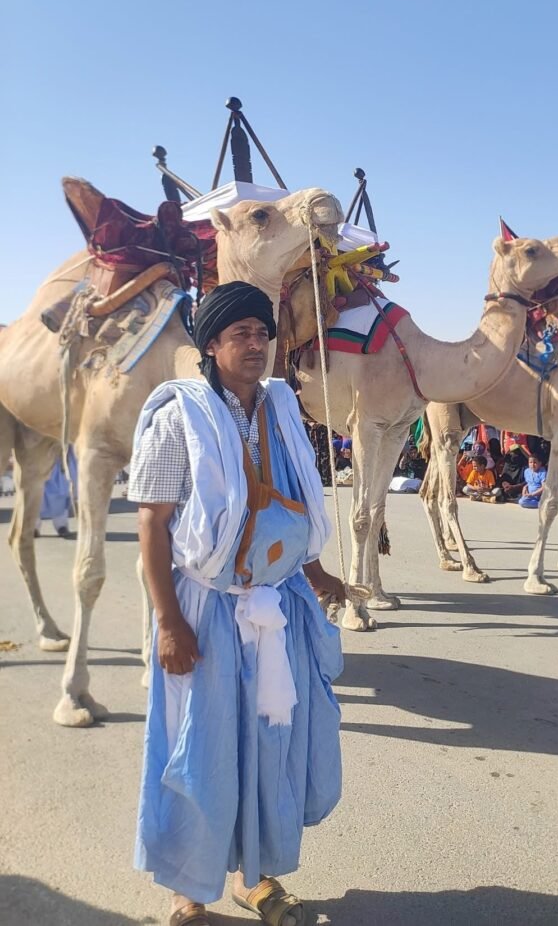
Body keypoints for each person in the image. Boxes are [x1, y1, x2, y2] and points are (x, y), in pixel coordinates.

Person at [128, 281, 346, 926]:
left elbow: (290, 499)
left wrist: (315, 571)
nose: (255, 345)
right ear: (212, 345)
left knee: (267, 745)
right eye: (240, 334)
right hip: (206, 608)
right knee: (200, 749)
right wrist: (169, 623)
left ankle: (255, 876)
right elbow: (152, 525)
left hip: (276, 603)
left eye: (262, 333)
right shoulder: (179, 416)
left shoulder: (281, 408)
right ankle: (187, 886)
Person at [37, 451, 77, 539]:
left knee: (61, 489)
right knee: (34, 491)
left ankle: (61, 525)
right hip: (36, 453)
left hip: (59, 455)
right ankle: (32, 526)